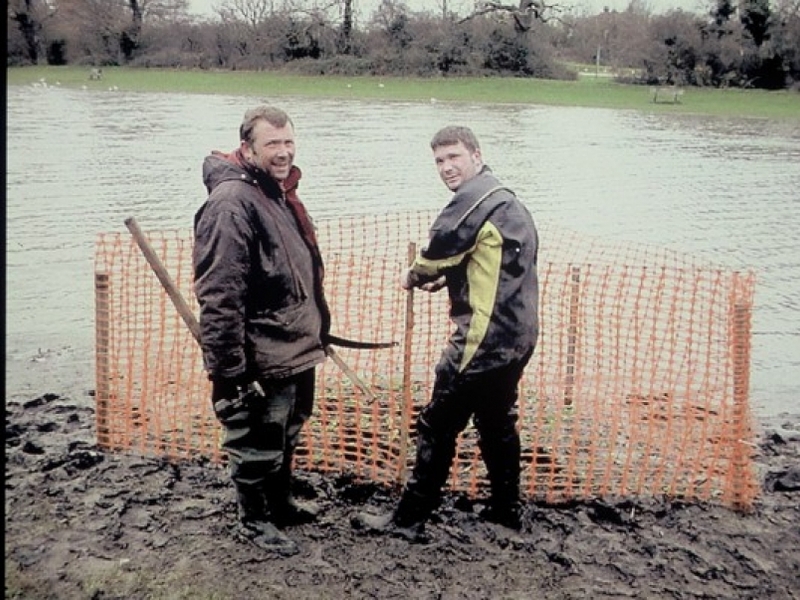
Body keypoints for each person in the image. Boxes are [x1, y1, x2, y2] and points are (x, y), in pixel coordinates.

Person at [354, 125, 539, 539]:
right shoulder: (508, 202)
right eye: (439, 160)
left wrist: (415, 276)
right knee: (496, 421)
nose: (446, 167)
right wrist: (453, 280)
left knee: (437, 424)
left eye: (454, 157)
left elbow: (439, 249)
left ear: (476, 154)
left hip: (481, 342)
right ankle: (505, 511)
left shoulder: (471, 201)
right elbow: (491, 264)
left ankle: (408, 520)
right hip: (519, 338)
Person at [193, 105, 330, 556]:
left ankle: (280, 504)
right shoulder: (231, 204)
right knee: (255, 442)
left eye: (289, 142)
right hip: (262, 351)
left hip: (294, 344)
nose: (285, 152)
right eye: (273, 144)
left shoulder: (272, 191)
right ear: (247, 147)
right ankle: (253, 521)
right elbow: (219, 297)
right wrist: (228, 372)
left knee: (287, 429)